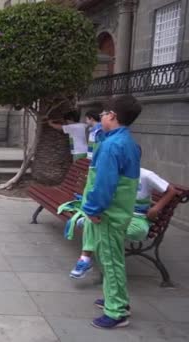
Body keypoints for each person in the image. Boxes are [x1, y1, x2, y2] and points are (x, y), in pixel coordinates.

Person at [79, 95, 142, 329]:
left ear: (112, 116)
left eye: (104, 113)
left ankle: (116, 312)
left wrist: (94, 209)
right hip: (116, 211)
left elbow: (104, 183)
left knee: (110, 260)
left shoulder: (112, 146)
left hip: (108, 214)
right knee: (110, 259)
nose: (101, 117)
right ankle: (117, 300)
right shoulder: (124, 142)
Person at [70, 168, 179, 280]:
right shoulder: (112, 172)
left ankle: (92, 227)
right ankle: (85, 259)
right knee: (96, 222)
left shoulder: (146, 175)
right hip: (115, 215)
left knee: (137, 231)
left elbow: (171, 190)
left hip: (137, 217)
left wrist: (156, 208)